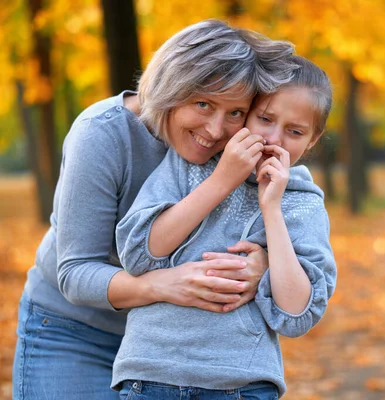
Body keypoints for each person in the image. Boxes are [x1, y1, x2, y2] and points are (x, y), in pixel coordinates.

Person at [12, 19, 299, 400]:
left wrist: (262, 262)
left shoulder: (236, 145)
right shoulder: (103, 134)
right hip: (74, 330)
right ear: (169, 88)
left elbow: (258, 221)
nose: (215, 130)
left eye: (234, 112)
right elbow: (76, 271)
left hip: (167, 350)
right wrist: (160, 286)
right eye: (202, 104)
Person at [113, 55, 336, 399]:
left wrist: (271, 209)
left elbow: (297, 315)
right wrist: (223, 179)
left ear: (312, 140)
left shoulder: (303, 202)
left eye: (294, 132)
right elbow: (139, 253)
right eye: (265, 119)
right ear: (244, 112)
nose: (274, 138)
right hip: (150, 375)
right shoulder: (190, 163)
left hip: (241, 384)